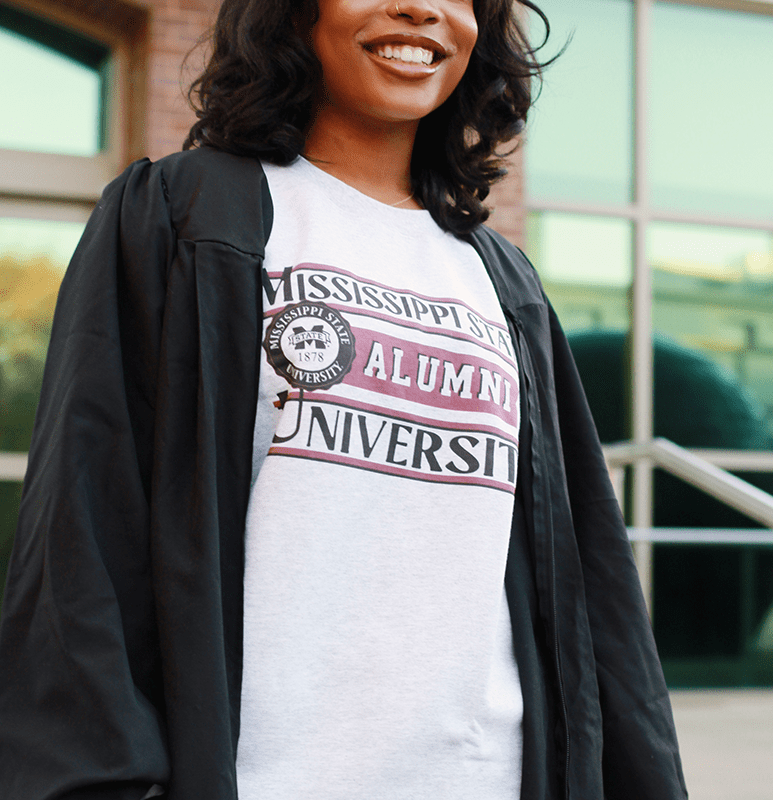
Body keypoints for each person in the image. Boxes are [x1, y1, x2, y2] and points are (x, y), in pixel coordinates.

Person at [0, 0, 687, 798]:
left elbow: (588, 585)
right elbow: (84, 538)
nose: (421, 9)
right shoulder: (186, 217)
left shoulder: (500, 281)